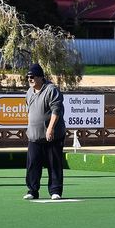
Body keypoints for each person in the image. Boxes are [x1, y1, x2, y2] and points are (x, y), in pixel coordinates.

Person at [23, 63, 66, 201]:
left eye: (33, 76)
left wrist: (50, 128)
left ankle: (55, 191)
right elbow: (31, 111)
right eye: (28, 77)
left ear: (41, 77)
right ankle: (32, 191)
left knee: (54, 164)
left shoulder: (51, 89)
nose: (30, 79)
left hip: (51, 136)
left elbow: (56, 110)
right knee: (33, 164)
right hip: (34, 136)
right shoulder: (29, 92)